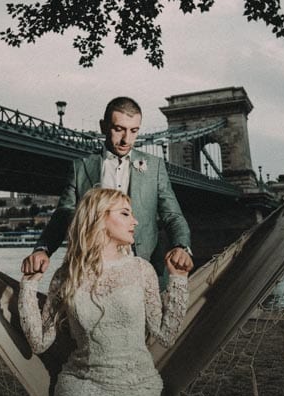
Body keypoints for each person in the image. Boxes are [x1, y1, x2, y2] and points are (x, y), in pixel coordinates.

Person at [19, 187, 189, 396]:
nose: (135, 222)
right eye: (125, 214)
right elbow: (39, 341)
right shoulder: (66, 275)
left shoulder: (141, 269)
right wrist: (28, 285)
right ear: (99, 218)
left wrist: (178, 280)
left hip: (135, 383)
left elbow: (166, 335)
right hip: (82, 381)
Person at [22, 96, 194, 279]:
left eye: (134, 131)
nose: (126, 139)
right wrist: (42, 250)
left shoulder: (155, 166)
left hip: (145, 270)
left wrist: (181, 246)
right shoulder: (81, 167)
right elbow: (64, 215)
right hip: (92, 271)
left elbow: (172, 215)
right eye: (119, 129)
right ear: (103, 127)